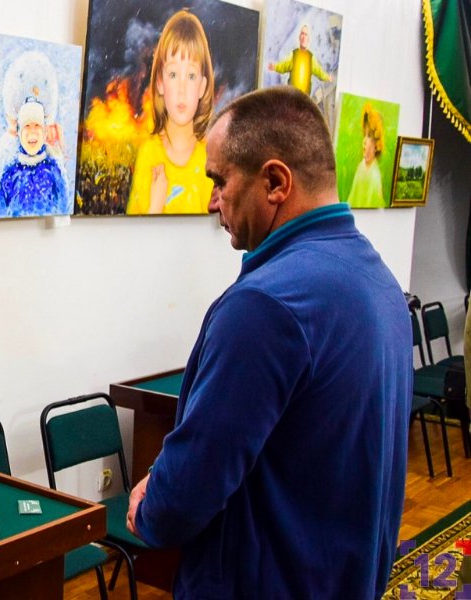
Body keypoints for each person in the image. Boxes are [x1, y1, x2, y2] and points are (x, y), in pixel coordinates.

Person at [126, 86, 412, 598]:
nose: (212, 201)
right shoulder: (379, 279)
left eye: (220, 180)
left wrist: (151, 504)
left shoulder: (265, 305)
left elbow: (186, 494)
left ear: (276, 182)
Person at [126, 10, 215, 215]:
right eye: (173, 74)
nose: (182, 89)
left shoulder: (210, 160)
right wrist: (155, 207)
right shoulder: (148, 155)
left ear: (202, 86)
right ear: (160, 82)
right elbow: (135, 232)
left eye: (191, 76)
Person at [0, 97, 67, 217]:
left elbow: (64, 209)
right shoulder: (9, 175)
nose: (32, 131)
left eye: (37, 125)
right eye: (27, 125)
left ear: (45, 132)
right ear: (18, 132)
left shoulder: (54, 172)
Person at [268, 24, 334, 96]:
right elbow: (284, 65)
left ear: (308, 39)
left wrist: (327, 77)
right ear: (299, 37)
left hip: (304, 98)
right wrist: (275, 67)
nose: (304, 37)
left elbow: (319, 71)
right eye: (302, 34)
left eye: (306, 35)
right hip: (292, 96)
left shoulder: (311, 58)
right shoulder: (294, 55)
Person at [347, 102, 386, 208]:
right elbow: (351, 198)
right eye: (364, 135)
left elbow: (374, 207)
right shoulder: (361, 166)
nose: (364, 141)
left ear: (376, 145)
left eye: (369, 136)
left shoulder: (375, 176)